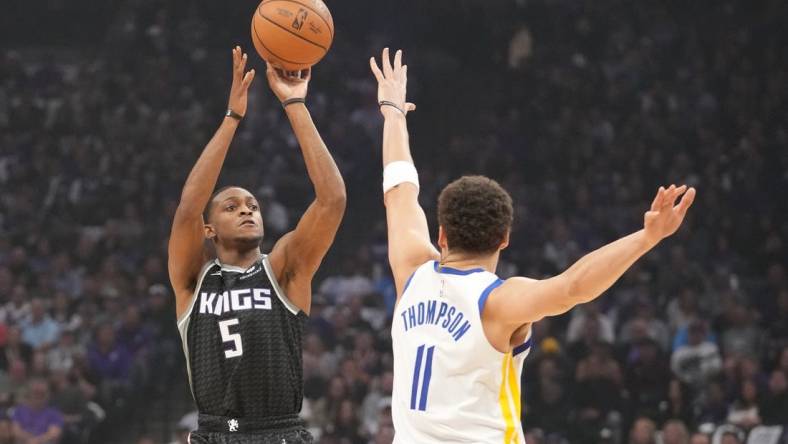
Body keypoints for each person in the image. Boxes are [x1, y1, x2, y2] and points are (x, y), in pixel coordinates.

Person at [369, 47, 696, 443]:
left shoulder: (411, 271)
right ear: (504, 239)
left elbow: (400, 190)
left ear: (440, 234)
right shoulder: (498, 302)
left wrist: (393, 113)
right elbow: (574, 286)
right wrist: (647, 237)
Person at [168, 47, 345, 443]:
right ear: (209, 230)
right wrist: (232, 118)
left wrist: (295, 104)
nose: (248, 211)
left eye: (253, 205)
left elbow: (332, 199)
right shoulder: (194, 278)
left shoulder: (282, 267)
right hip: (215, 431)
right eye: (232, 207)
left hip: (279, 431)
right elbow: (187, 211)